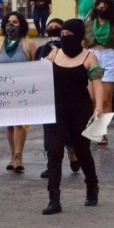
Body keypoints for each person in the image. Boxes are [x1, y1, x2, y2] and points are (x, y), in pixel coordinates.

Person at [42, 19, 103, 214]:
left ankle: (92, 186)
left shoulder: (90, 57)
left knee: (82, 150)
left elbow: (97, 83)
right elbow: (34, 75)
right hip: (56, 109)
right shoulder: (54, 54)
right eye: (63, 34)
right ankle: (54, 199)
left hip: (80, 109)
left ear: (78, 36)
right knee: (55, 152)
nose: (65, 37)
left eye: (69, 34)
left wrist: (99, 107)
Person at [0, 11, 37, 173]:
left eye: (15, 22)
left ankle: (18, 156)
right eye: (8, 22)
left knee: (19, 123)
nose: (11, 25)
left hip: (23, 90)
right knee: (10, 125)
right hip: (4, 91)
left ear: (21, 25)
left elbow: (37, 67)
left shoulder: (28, 44)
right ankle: (13, 154)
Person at [84, 0, 114, 146]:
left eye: (105, 8)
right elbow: (82, 45)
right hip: (91, 57)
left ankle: (102, 132)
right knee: (91, 98)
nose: (102, 10)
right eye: (99, 7)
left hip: (108, 57)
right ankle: (91, 128)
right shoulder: (87, 24)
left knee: (107, 100)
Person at [34, 19, 73, 179]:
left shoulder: (71, 48)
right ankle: (51, 164)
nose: (53, 29)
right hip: (47, 95)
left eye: (57, 27)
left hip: (66, 94)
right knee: (48, 131)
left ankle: (72, 152)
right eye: (50, 27)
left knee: (69, 127)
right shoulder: (41, 50)